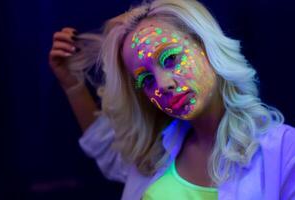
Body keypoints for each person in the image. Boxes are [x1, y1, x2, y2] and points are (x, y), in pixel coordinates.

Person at [49, 0, 295, 199]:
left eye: (170, 59)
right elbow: (106, 147)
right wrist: (73, 86)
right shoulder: (155, 151)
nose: (163, 84)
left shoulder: (285, 151)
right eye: (146, 79)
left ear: (205, 44)